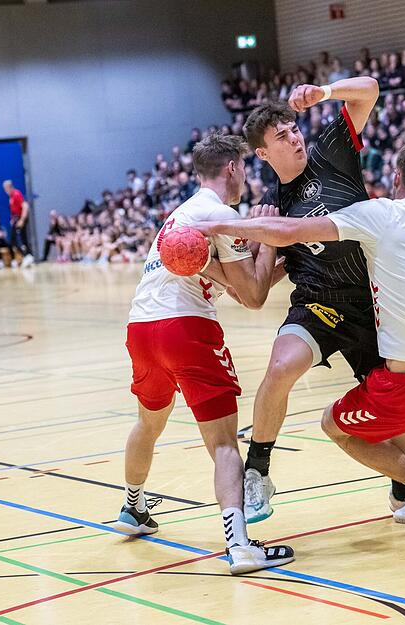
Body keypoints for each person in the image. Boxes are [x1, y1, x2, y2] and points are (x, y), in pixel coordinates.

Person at [240, 77, 405, 522]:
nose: (294, 137)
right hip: (317, 303)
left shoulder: (329, 153)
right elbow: (260, 288)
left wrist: (325, 91)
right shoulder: (274, 205)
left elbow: (369, 89)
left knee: (401, 412)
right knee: (280, 368)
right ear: (262, 153)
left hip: (371, 306)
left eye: (294, 129)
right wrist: (257, 243)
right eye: (282, 136)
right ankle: (258, 472)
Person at [117, 133, 294, 575]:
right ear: (232, 167)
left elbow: (236, 288)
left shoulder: (178, 218)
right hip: (186, 329)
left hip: (142, 327)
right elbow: (253, 296)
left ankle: (132, 507)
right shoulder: (221, 215)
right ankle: (240, 548)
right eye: (244, 169)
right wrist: (269, 238)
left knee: (148, 422)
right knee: (224, 444)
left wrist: (268, 258)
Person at [2, 180, 34, 267]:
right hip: (16, 219)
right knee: (13, 241)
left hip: (20, 219)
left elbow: (25, 206)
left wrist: (22, 220)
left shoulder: (16, 194)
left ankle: (28, 255)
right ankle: (26, 255)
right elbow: (14, 210)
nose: (5, 190)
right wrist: (13, 219)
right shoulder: (11, 197)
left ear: (9, 187)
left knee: (22, 239)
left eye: (5, 188)